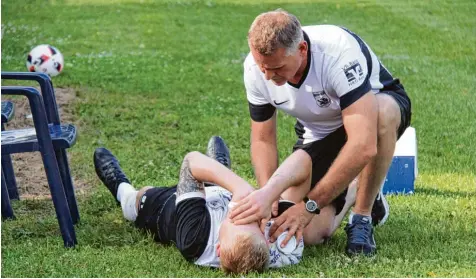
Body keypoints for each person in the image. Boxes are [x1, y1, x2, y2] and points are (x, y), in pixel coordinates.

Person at [229, 9, 412, 256]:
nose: (269, 76)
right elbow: (263, 139)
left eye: (278, 68)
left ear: (302, 50)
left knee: (382, 113)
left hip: (370, 118)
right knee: (306, 233)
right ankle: (355, 188)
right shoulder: (255, 69)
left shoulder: (338, 54)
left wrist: (309, 206)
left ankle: (362, 216)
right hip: (318, 133)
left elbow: (363, 143)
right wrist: (268, 196)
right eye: (263, 68)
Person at [93, 136, 304, 274]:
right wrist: (275, 196)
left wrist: (241, 188)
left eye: (237, 220)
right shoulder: (283, 248)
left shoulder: (195, 239)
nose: (245, 214)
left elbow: (191, 161)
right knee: (217, 184)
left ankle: (121, 189)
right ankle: (217, 170)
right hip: (218, 193)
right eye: (254, 223)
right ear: (266, 243)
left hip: (168, 208)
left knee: (139, 199)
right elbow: (304, 161)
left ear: (218, 248)